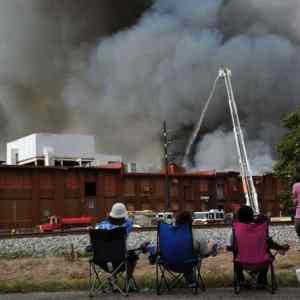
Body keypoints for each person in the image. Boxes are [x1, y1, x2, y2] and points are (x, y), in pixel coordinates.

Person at [227, 205, 289, 287]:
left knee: (235, 253)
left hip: (241, 263)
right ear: (252, 216)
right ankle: (261, 280)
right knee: (267, 252)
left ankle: (241, 280)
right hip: (261, 262)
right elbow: (270, 243)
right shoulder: (261, 228)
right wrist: (281, 247)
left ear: (239, 216)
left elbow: (229, 248)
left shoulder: (235, 230)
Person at [95, 202, 146, 281]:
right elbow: (129, 222)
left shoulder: (100, 226)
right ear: (123, 216)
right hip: (120, 261)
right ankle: (127, 283)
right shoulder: (125, 226)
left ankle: (113, 279)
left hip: (102, 261)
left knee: (112, 256)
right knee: (133, 256)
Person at [174, 211, 218, 286]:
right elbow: (204, 252)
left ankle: (190, 280)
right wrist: (211, 244)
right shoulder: (196, 234)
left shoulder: (169, 234)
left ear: (176, 221)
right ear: (191, 221)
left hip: (170, 264)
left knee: (186, 253)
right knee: (206, 247)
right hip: (189, 263)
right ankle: (191, 281)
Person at [292, 180, 300, 249]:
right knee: (298, 229)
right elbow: (294, 200)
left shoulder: (296, 185)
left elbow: (294, 201)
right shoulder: (296, 185)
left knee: (298, 229)